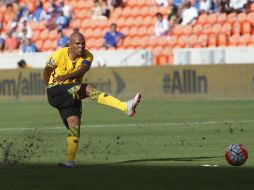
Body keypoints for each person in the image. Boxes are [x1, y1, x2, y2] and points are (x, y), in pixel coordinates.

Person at [43, 32, 141, 168]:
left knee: (74, 123)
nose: (81, 46)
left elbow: (82, 70)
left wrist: (67, 76)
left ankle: (69, 161)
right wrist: (47, 85)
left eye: (83, 43)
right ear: (69, 45)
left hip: (72, 91)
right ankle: (125, 107)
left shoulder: (88, 55)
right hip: (56, 91)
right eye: (77, 43)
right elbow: (47, 70)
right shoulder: (58, 55)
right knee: (88, 88)